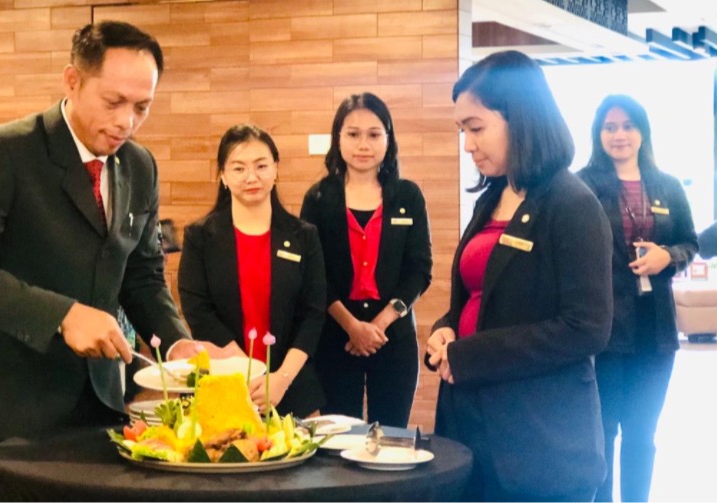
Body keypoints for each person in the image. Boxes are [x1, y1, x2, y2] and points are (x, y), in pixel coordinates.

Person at [0, 21, 232, 501]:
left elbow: (142, 276)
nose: (126, 122)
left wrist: (177, 347)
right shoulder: (2, 151)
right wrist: (63, 315)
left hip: (98, 406)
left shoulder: (139, 165)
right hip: (7, 411)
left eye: (142, 107)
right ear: (72, 81)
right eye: (113, 103)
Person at [425, 50, 613, 501]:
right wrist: (444, 330)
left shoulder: (572, 204)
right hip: (470, 422)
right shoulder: (492, 197)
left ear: (521, 118)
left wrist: (473, 354)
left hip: (537, 439)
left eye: (476, 128)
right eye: (461, 131)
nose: (467, 144)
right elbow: (474, 297)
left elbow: (586, 329)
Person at [577, 94, 699, 502]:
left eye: (628, 126)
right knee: (604, 431)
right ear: (598, 134)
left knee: (643, 434)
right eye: (609, 127)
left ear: (643, 131)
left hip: (656, 330)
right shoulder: (582, 185)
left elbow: (690, 242)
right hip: (605, 328)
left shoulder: (667, 185)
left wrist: (670, 256)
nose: (619, 135)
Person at [300, 92, 432, 428]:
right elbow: (313, 274)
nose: (363, 144)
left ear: (388, 138)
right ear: (338, 139)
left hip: (393, 337)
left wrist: (378, 325)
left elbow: (419, 270)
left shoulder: (408, 196)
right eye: (353, 134)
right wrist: (352, 327)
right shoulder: (318, 198)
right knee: (339, 440)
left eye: (374, 134)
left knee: (388, 437)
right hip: (335, 337)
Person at [178, 124, 327, 418]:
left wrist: (280, 379)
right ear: (222, 175)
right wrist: (244, 371)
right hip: (224, 386)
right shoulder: (200, 237)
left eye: (261, 166)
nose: (251, 177)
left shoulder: (304, 236)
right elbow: (198, 311)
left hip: (292, 387)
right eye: (238, 168)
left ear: (276, 169)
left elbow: (313, 314)